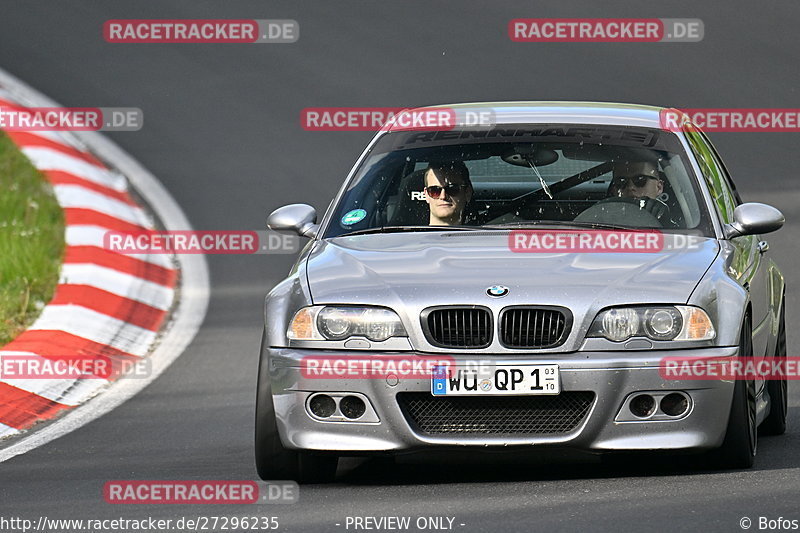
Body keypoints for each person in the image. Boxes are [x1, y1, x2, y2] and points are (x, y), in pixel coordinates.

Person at [607, 160, 673, 224]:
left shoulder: (671, 231)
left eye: (640, 180)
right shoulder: (601, 223)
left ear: (659, 187)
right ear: (614, 190)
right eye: (621, 181)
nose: (630, 187)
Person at [424, 161, 473, 226]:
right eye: (434, 191)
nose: (443, 196)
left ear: (467, 193)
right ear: (426, 194)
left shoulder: (486, 234)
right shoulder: (409, 235)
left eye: (452, 189)